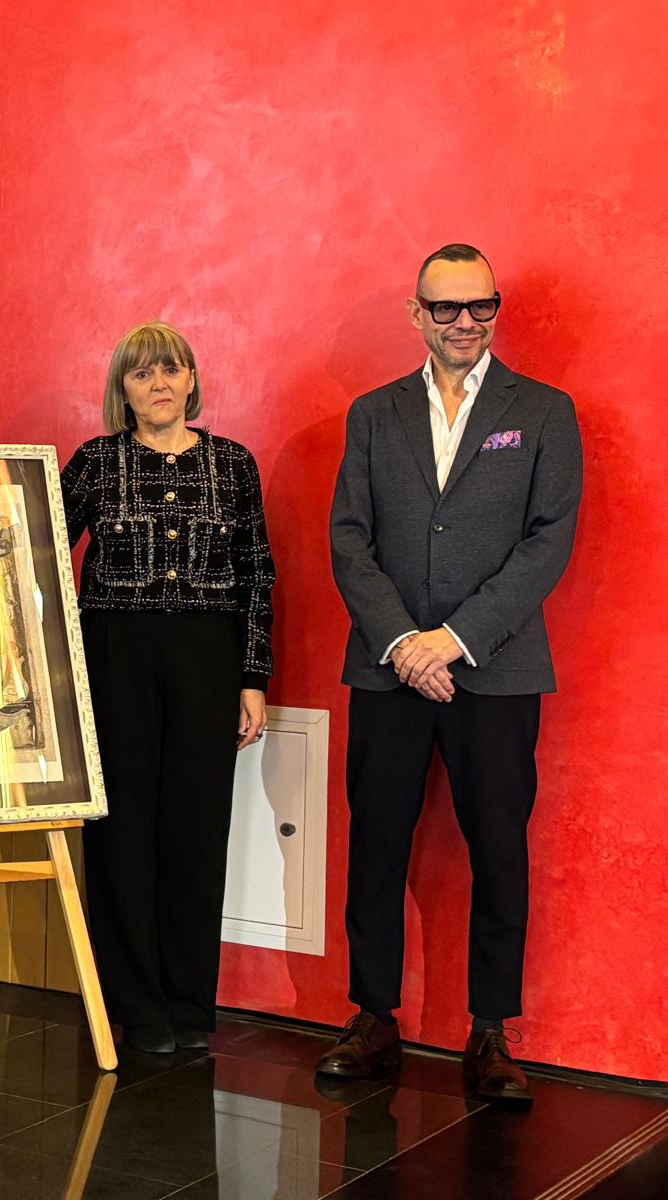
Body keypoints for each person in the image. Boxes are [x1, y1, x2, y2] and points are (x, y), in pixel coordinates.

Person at [0, 320, 275, 1053]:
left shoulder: (234, 463)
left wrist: (253, 677)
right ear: (122, 390)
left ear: (191, 381)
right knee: (122, 829)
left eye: (171, 369)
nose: (159, 384)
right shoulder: (97, 462)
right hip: (114, 656)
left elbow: (257, 574)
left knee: (197, 829)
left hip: (208, 657)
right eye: (141, 373)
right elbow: (30, 537)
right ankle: (136, 1007)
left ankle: (190, 1006)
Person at [320, 243, 582, 1105]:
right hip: (388, 670)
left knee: (499, 850)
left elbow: (548, 542)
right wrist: (404, 641)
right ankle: (372, 1018)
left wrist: (455, 639)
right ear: (417, 314)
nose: (465, 322)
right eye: (446, 308)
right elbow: (349, 539)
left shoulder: (543, 412)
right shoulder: (373, 414)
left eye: (480, 306)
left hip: (495, 671)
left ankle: (491, 1031)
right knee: (375, 845)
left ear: (496, 308)